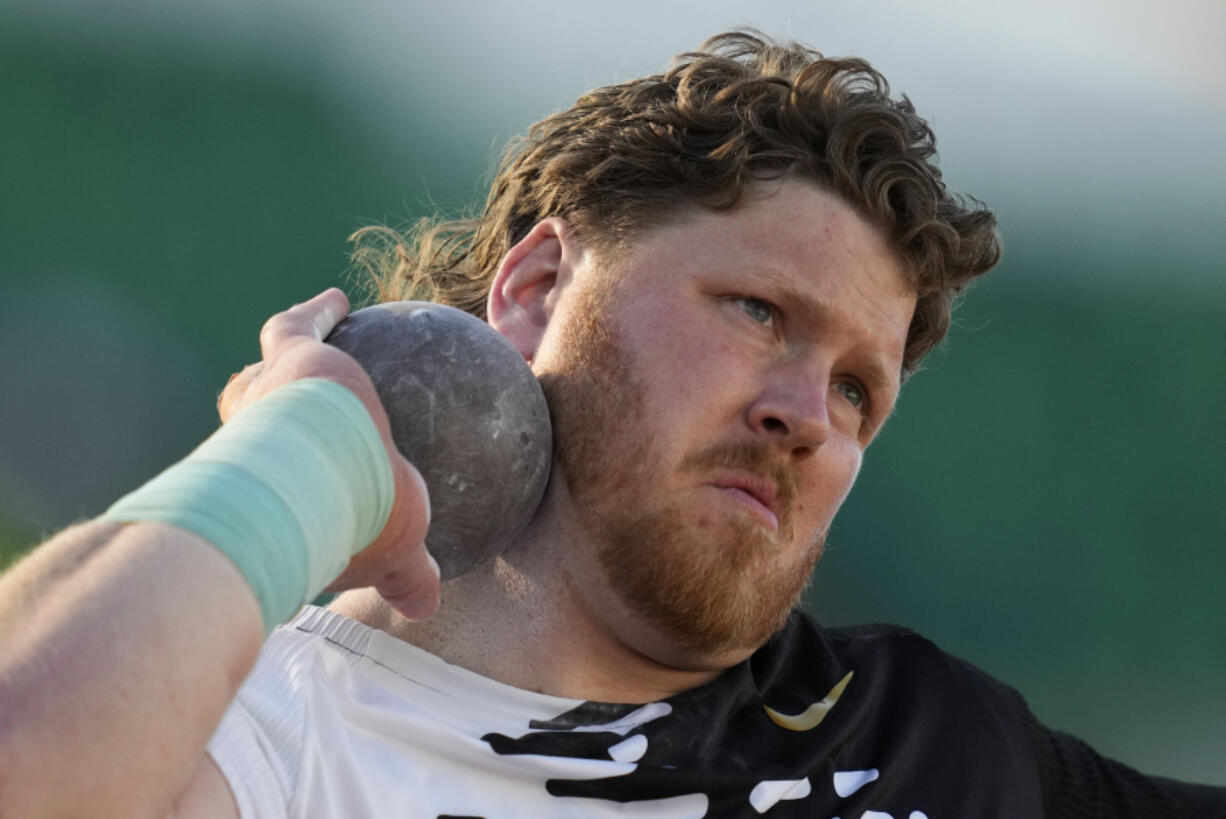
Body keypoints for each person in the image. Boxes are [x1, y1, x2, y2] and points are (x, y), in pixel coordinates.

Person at [0, 30, 1221, 819]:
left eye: (858, 391)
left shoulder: (932, 739)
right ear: (535, 292)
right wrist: (302, 458)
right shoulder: (269, 737)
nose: (809, 417)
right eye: (755, 310)